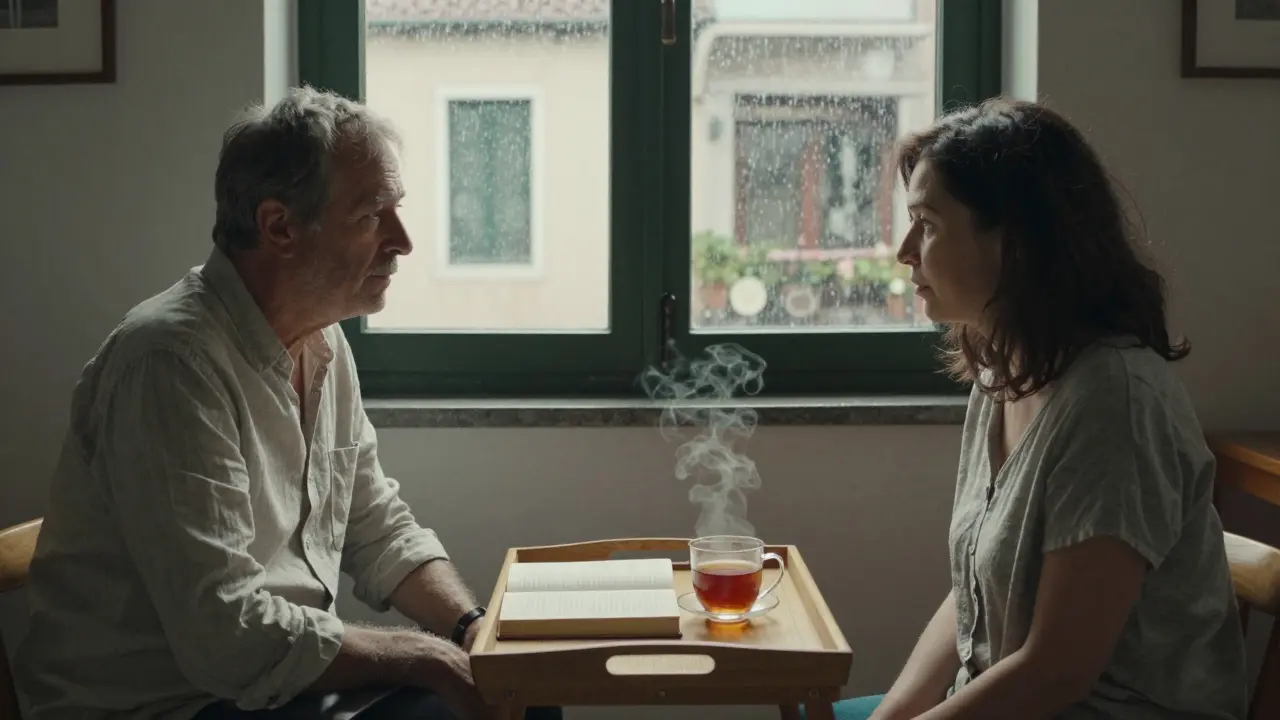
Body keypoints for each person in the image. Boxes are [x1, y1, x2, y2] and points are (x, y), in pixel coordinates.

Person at [15, 87, 559, 720]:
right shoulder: (170, 363)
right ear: (279, 226)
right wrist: (429, 658)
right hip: (167, 704)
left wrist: (471, 628)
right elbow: (228, 634)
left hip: (264, 686)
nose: (403, 240)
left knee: (525, 692)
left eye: (398, 210)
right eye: (370, 215)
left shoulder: (322, 337)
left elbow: (372, 521)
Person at [832, 98, 1249, 719]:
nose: (905, 250)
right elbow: (971, 596)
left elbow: (1057, 670)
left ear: (1017, 243)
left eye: (930, 223)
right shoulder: (1000, 374)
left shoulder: (1114, 400)